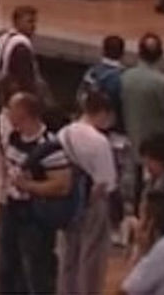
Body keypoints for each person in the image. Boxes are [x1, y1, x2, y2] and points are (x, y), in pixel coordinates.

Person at [0, 92, 72, 295]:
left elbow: (62, 185)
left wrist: (28, 186)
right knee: (5, 266)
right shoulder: (13, 138)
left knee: (35, 270)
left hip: (35, 215)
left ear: (23, 113)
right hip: (11, 208)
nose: (7, 112)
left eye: (11, 108)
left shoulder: (50, 147)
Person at [56, 90, 117, 295]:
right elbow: (106, 183)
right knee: (91, 257)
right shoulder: (99, 141)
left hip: (66, 201)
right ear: (103, 113)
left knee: (67, 256)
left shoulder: (64, 133)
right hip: (93, 203)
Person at [122, 34, 164, 168]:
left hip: (131, 143)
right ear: (161, 53)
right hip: (156, 151)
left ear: (139, 52)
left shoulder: (125, 77)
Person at [80, 35, 126, 127]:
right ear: (122, 53)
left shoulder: (92, 71)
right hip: (111, 127)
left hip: (88, 121)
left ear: (103, 51)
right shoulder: (124, 76)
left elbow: (81, 96)